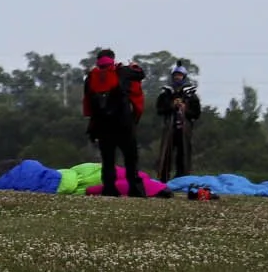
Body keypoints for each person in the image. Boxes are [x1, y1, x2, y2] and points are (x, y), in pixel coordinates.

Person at [80, 49, 146, 197]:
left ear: (98, 60)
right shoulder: (121, 71)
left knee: (108, 159)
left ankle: (109, 189)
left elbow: (87, 101)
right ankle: (135, 189)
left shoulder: (91, 76)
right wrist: (135, 66)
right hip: (123, 123)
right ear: (112, 59)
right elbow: (141, 75)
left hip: (102, 125)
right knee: (130, 157)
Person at [153, 64, 203, 181]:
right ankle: (164, 178)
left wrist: (185, 108)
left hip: (185, 129)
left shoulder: (191, 95)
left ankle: (183, 178)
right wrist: (171, 106)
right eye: (175, 75)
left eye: (179, 75)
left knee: (184, 154)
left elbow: (196, 113)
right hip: (170, 128)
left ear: (184, 77)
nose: (177, 77)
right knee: (166, 154)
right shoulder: (166, 93)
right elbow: (160, 110)